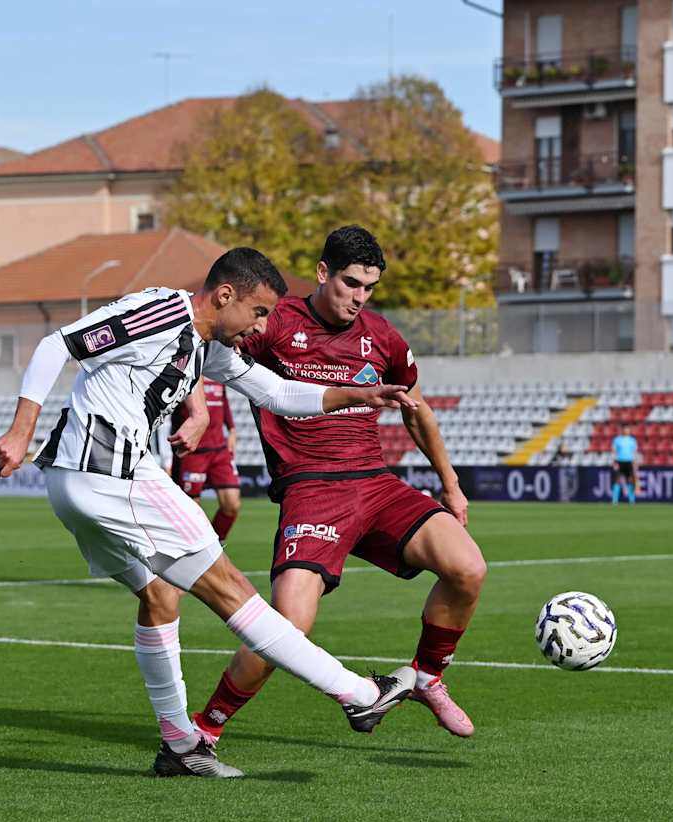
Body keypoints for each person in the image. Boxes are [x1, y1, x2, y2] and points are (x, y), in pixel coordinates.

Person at [0, 247, 418, 779]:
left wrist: (359, 394)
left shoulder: (203, 346)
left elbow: (277, 391)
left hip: (74, 482)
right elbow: (57, 343)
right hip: (113, 474)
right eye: (258, 312)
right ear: (224, 296)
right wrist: (21, 428)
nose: (260, 326)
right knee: (232, 590)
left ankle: (179, 745)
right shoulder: (163, 310)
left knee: (159, 597)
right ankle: (360, 694)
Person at [191, 226, 487, 748]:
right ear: (324, 272)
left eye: (369, 287)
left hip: (375, 483)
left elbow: (417, 412)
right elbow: (205, 340)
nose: (359, 297)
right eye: (351, 283)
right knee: (288, 625)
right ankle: (205, 728)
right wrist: (195, 406)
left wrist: (451, 484)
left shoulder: (382, 335)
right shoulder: (274, 320)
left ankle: (426, 677)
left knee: (467, 567)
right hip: (311, 489)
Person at [171, 378, 241, 542]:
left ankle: (217, 543)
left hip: (219, 449)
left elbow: (223, 402)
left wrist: (231, 428)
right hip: (193, 451)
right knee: (191, 510)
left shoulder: (216, 370)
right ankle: (196, 550)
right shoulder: (187, 370)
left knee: (232, 504)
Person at [611, 424, 638, 504]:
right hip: (619, 462)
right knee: (617, 481)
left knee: (630, 481)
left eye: (627, 429)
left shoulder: (632, 440)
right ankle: (614, 501)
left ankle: (631, 500)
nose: (626, 431)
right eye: (625, 429)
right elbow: (614, 451)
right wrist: (614, 462)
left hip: (629, 462)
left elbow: (634, 452)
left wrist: (635, 463)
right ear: (622, 430)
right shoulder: (617, 440)